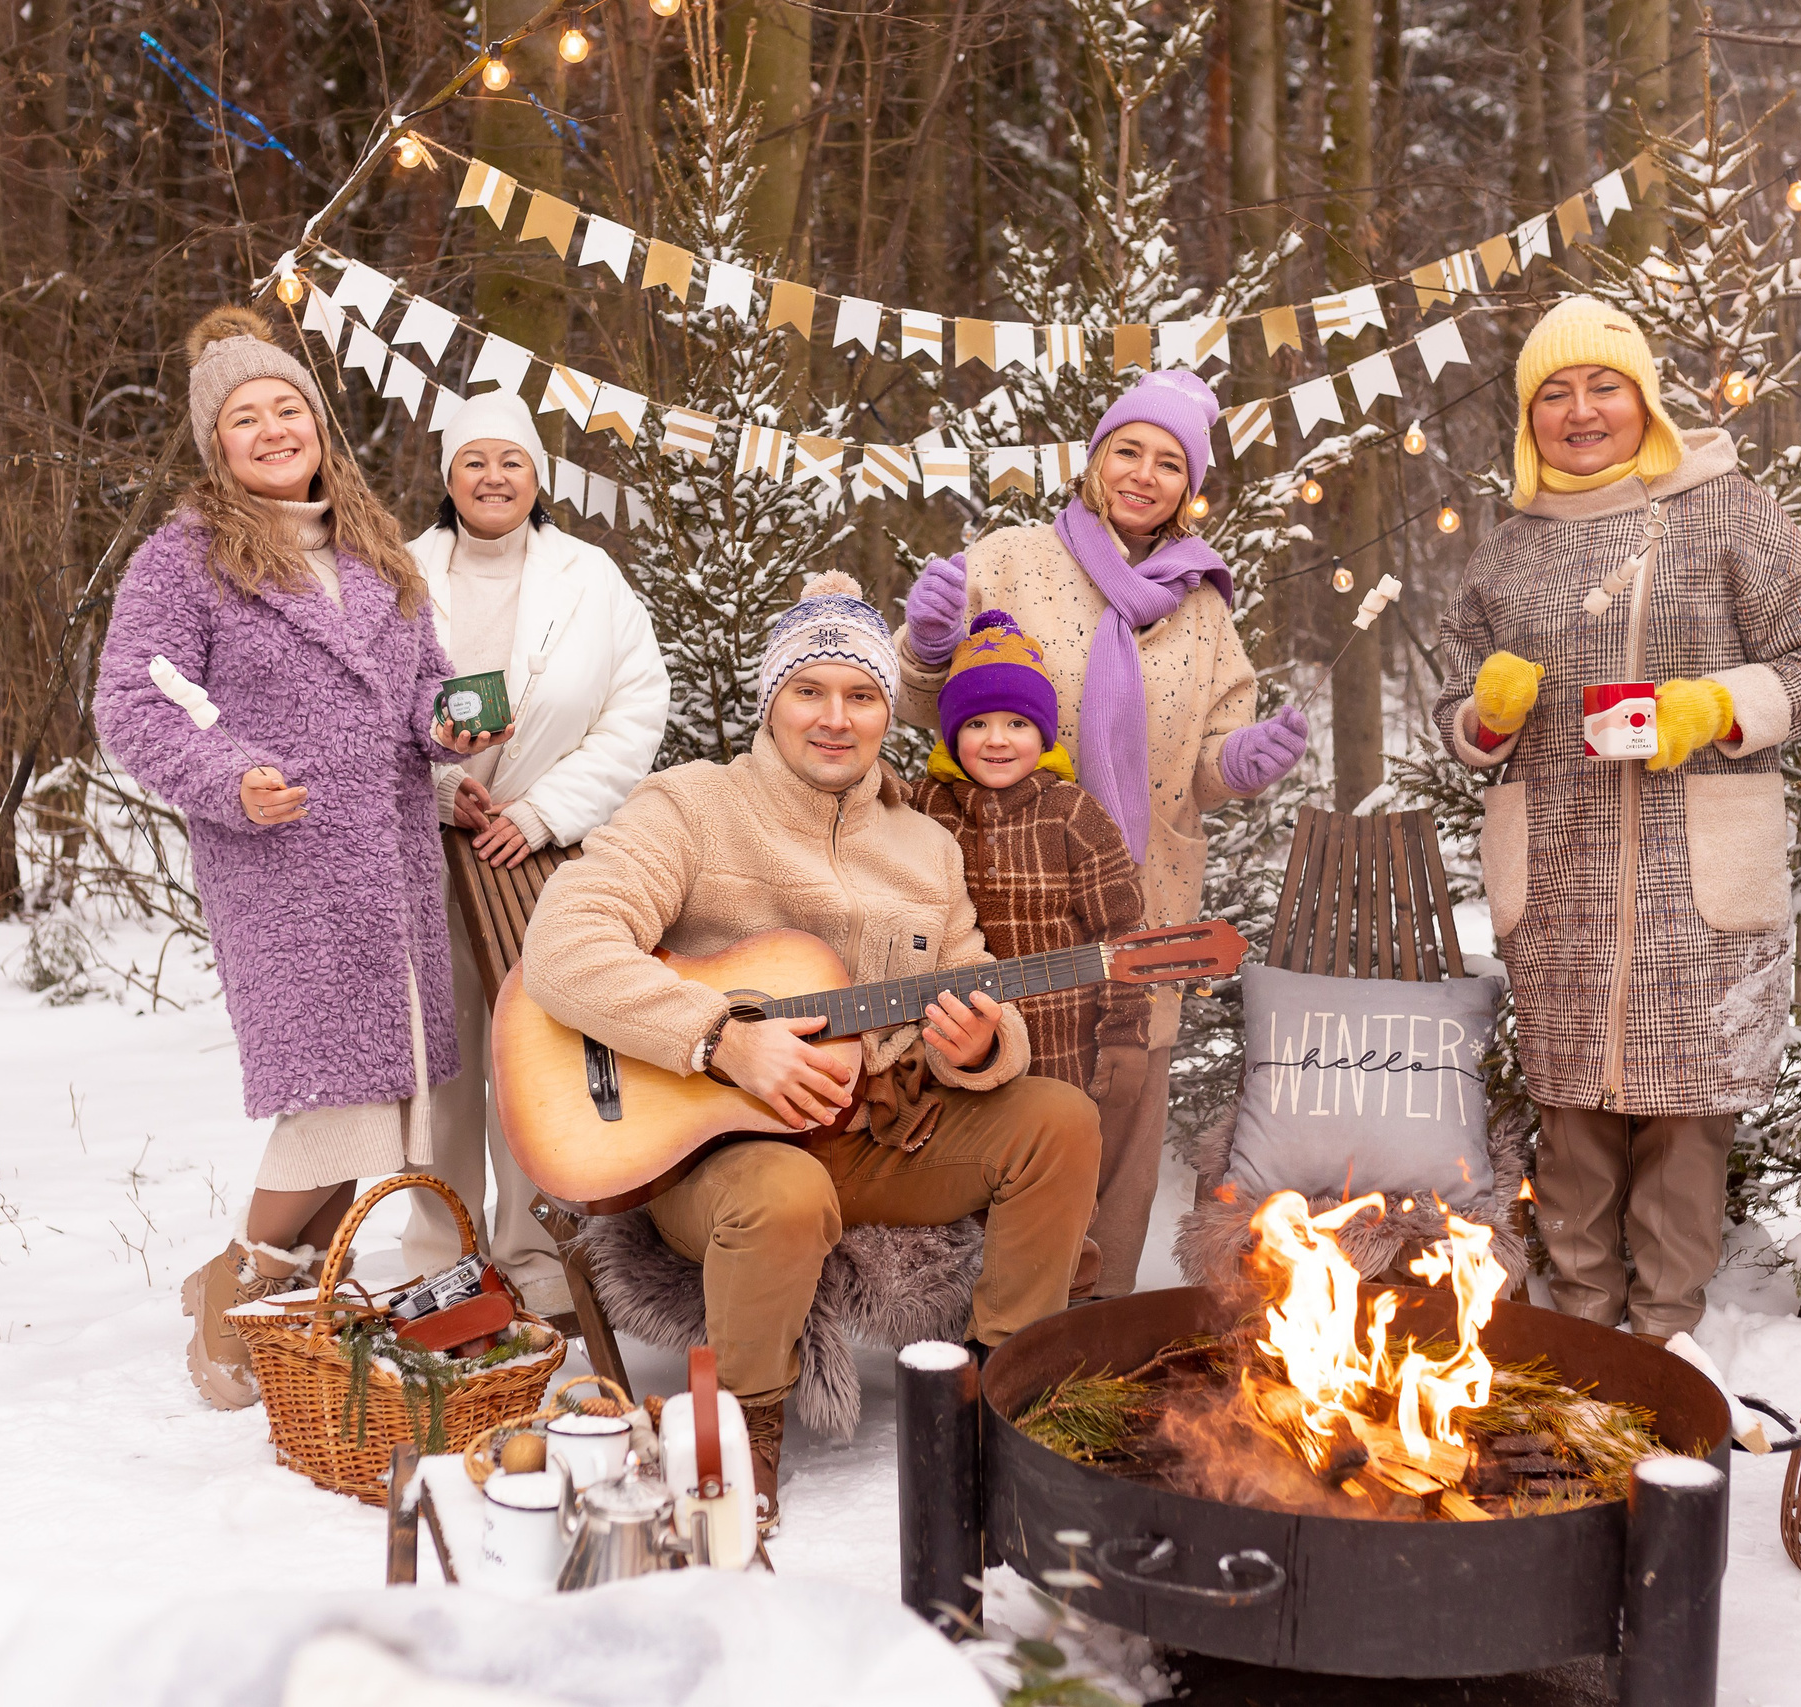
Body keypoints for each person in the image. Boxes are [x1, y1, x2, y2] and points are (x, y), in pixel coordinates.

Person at [520, 571, 1101, 1529]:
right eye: (810, 691)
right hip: (712, 1146)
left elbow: (973, 971)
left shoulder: (925, 848)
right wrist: (721, 1040)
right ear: (771, 701)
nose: (837, 718)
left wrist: (986, 1041)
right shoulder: (690, 808)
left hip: (875, 1132)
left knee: (1060, 1122)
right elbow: (564, 944)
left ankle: (999, 1398)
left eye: (863, 695)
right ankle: (739, 1457)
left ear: (887, 712)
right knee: (785, 1196)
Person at [94, 305, 508, 1408]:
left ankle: (271, 1294)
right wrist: (229, 780)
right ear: (214, 444)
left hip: (394, 870)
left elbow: (422, 688)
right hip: (284, 872)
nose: (273, 429)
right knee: (326, 1101)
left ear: (321, 424)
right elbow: (131, 704)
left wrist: (448, 727)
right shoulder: (184, 562)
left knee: (377, 1105)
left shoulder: (376, 555)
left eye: (288, 408)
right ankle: (239, 1289)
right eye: (244, 418)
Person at [1431, 295, 1801, 1342]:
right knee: (1572, 1110)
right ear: (1529, 418)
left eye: (1603, 386)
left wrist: (1718, 704)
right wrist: (1480, 717)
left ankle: (1666, 1336)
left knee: (1684, 1117)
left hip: (1695, 859)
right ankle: (1582, 1329)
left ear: (1644, 400)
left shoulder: (1726, 511)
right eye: (1554, 393)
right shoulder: (1505, 552)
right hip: (1563, 860)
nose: (1580, 411)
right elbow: (1453, 705)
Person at [893, 370, 1309, 1297]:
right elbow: (933, 709)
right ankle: (989, 1329)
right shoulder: (1009, 560)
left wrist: (1244, 758)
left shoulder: (1202, 611)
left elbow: (1205, 757)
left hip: (1143, 903)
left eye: (1170, 463)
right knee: (997, 1109)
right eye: (1130, 450)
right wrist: (923, 645)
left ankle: (1092, 1335)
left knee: (1123, 1118)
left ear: (1187, 486)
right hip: (1006, 900)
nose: (1144, 475)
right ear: (1094, 458)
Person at [400, 391, 670, 1303]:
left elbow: (637, 708)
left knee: (531, 1051)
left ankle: (536, 1248)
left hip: (543, 857)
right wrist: (443, 788)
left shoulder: (590, 578)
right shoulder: (396, 578)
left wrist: (546, 808)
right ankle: (442, 1253)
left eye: (511, 461)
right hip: (430, 844)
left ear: (537, 476)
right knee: (440, 1058)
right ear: (448, 476)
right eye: (474, 461)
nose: (493, 476)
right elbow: (366, 713)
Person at [906, 610, 1147, 1282]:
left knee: (1056, 1203)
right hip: (955, 1051)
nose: (997, 739)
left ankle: (1056, 1322)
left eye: (1016, 723)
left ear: (1042, 731)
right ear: (954, 733)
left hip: (1061, 1055)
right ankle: (973, 1337)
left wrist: (1126, 1036)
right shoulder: (927, 804)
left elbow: (1123, 932)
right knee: (972, 1205)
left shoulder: (1073, 813)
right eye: (977, 724)